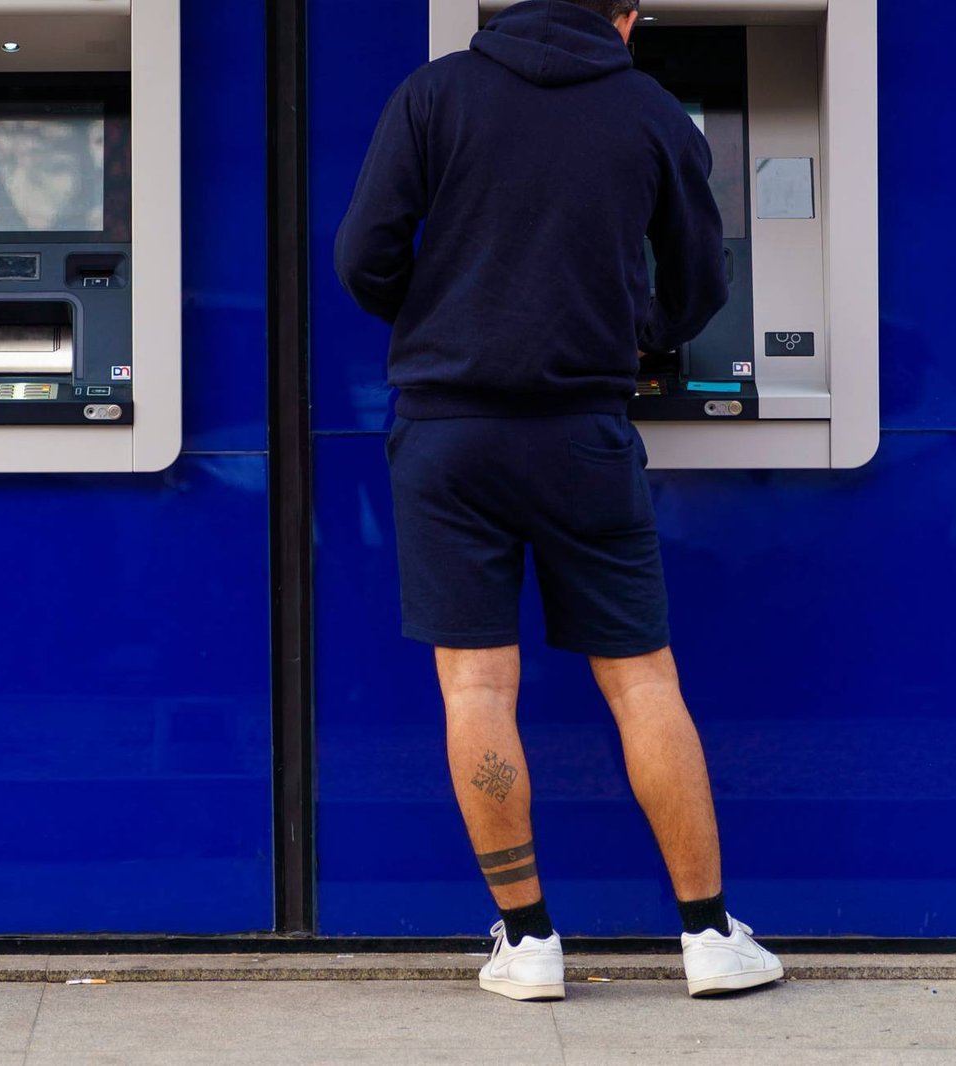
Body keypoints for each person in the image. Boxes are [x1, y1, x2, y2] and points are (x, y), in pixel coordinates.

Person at [334, 0, 784, 1002]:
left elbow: (362, 253)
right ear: (627, 15)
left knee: (476, 688)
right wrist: (637, 330)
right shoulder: (650, 109)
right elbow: (700, 279)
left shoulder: (433, 95)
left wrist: (446, 318)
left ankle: (529, 943)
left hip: (449, 435)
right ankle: (709, 936)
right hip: (583, 433)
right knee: (644, 681)